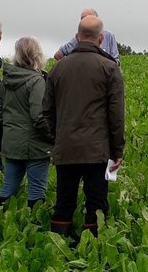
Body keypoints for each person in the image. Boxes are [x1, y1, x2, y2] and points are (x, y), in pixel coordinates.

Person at [43, 15, 125, 237]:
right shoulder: (109, 68)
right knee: (96, 201)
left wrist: (56, 138)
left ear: (78, 37)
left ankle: (58, 247)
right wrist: (117, 150)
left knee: (64, 199)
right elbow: (116, 115)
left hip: (66, 146)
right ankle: (94, 248)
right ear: (100, 39)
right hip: (97, 149)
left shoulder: (57, 69)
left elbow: (47, 112)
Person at [0, 37, 52, 209]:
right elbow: (38, 116)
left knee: (8, 186)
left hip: (11, 142)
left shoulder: (7, 78)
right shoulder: (37, 81)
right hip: (34, 145)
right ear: (37, 55)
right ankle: (36, 227)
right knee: (37, 190)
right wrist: (52, 136)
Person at [54, 8, 120, 64]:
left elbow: (116, 60)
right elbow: (58, 55)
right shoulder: (76, 39)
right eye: (82, 19)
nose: (85, 20)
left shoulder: (108, 36)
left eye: (89, 18)